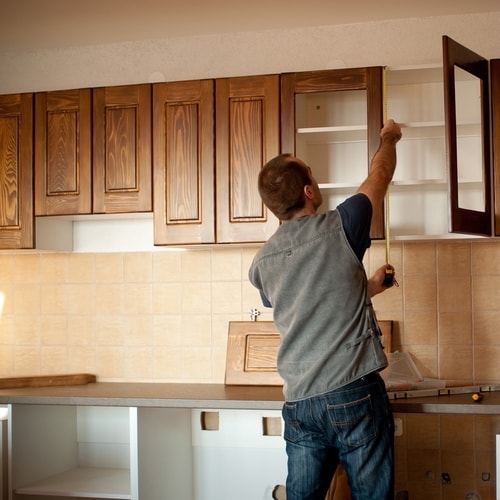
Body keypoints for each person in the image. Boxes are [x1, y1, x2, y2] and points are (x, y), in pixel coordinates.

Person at [248, 119, 402, 500]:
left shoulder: (261, 264)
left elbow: (308, 302)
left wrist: (366, 289)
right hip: (353, 393)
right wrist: (389, 137)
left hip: (300, 403)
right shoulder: (343, 225)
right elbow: (379, 175)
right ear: (309, 190)